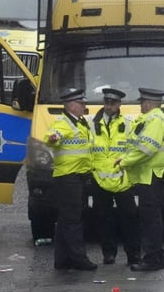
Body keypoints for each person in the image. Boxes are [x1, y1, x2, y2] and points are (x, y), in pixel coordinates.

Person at [115, 88, 164, 272]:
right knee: (151, 218)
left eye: (142, 102)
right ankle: (153, 256)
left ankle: (153, 259)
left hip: (152, 176)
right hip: (150, 175)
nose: (140, 105)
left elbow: (147, 148)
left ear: (148, 103)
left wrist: (125, 161)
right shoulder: (153, 119)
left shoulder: (155, 121)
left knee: (150, 219)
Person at [44, 88, 97, 271]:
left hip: (77, 176)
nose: (84, 107)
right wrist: (53, 138)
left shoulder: (80, 123)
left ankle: (62, 259)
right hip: (68, 177)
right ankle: (78, 258)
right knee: (73, 219)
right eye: (81, 104)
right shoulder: (63, 123)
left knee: (66, 219)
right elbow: (52, 137)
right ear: (71, 106)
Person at [90, 87, 141, 266]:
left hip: (122, 180)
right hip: (99, 179)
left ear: (119, 104)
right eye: (106, 103)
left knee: (129, 218)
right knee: (103, 218)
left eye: (113, 103)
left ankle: (133, 254)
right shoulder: (91, 124)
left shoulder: (128, 124)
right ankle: (108, 253)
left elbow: (135, 149)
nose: (109, 106)